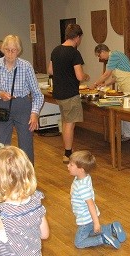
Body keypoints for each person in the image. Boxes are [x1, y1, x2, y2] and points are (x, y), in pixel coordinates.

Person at [0, 34, 44, 165]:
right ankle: (3, 176)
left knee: (26, 145)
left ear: (18, 51)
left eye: (14, 50)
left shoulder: (26, 66)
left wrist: (34, 113)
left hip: (23, 106)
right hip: (2, 105)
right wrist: (0, 93)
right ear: (2, 49)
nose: (10, 53)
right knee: (1, 146)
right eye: (7, 49)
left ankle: (27, 178)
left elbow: (37, 94)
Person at [47, 24, 90, 164]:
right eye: (80, 38)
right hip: (70, 93)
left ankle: (68, 150)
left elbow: (50, 71)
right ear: (77, 37)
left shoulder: (56, 50)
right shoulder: (74, 53)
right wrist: (86, 76)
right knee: (70, 125)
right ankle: (67, 153)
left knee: (66, 122)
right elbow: (79, 76)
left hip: (59, 93)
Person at [68, 150, 126, 249]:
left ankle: (102, 239)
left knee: (79, 242)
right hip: (88, 217)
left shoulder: (82, 186)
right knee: (92, 231)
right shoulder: (85, 177)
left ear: (81, 169)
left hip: (85, 218)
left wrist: (96, 222)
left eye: (71, 164)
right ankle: (111, 228)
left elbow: (90, 204)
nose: (68, 166)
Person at [90, 44, 130, 141]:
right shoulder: (114, 56)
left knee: (127, 108)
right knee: (122, 107)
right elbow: (115, 78)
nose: (100, 58)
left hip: (129, 82)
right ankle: (123, 132)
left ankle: (128, 134)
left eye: (99, 55)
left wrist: (95, 84)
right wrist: (105, 84)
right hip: (124, 83)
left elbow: (106, 74)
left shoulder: (114, 56)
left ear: (103, 52)